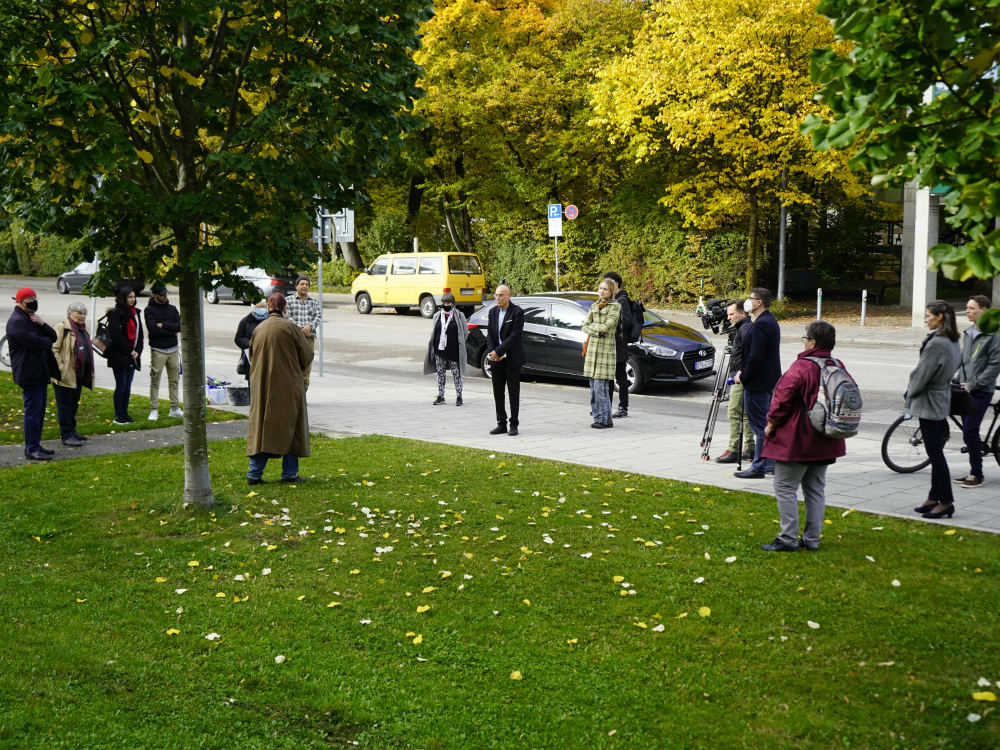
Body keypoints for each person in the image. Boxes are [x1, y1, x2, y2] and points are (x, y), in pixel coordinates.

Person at [759, 321, 848, 552]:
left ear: (813, 342)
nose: (804, 341)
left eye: (805, 337)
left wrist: (771, 423)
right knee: (816, 489)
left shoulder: (802, 367)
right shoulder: (836, 365)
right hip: (827, 437)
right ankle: (812, 539)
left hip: (798, 438)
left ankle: (788, 538)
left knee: (785, 487)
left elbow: (782, 399)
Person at [246, 292, 313, 485]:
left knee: (262, 428)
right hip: (287, 386)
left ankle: (254, 474)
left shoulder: (259, 329)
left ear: (268, 308)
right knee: (291, 426)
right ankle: (289, 474)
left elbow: (252, 356)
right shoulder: (290, 328)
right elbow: (307, 355)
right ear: (284, 308)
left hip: (262, 387)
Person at [908, 300, 962, 519]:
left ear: (940, 317)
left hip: (929, 402)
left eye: (928, 315)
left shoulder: (937, 342)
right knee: (936, 449)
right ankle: (933, 497)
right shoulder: (952, 339)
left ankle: (946, 501)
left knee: (935, 454)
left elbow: (921, 375)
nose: (925, 319)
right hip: (941, 399)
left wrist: (910, 394)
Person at [733, 287, 782, 479]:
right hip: (768, 380)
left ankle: (759, 466)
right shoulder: (769, 321)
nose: (747, 301)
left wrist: (743, 376)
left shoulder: (762, 324)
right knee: (765, 423)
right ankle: (770, 463)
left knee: (759, 425)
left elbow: (756, 356)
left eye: (751, 298)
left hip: (758, 382)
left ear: (759, 302)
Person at [953, 295, 1000, 488]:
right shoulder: (969, 331)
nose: (967, 311)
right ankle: (973, 470)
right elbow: (964, 360)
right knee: (968, 431)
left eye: (972, 308)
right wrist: (954, 378)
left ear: (984, 311)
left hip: (980, 390)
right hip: (964, 388)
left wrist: (974, 384)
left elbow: (994, 365)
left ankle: (977, 475)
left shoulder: (994, 334)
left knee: (970, 431)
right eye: (967, 307)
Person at [6, 288, 58, 460]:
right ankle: (31, 449)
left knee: (39, 412)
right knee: (33, 412)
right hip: (29, 373)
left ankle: (35, 445)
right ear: (20, 302)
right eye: (29, 299)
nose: (34, 302)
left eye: (35, 298)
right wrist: (46, 341)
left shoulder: (31, 318)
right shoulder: (17, 322)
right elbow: (38, 343)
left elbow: (53, 337)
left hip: (39, 372)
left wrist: (42, 323)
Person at [715, 299, 755, 463]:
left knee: (734, 412)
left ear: (742, 313)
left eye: (732, 314)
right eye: (728, 314)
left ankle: (734, 449)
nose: (729, 318)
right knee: (745, 414)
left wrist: (740, 373)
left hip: (741, 378)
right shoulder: (746, 327)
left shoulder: (745, 329)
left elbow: (750, 355)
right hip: (743, 376)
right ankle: (749, 448)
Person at [51, 302, 95, 447]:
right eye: (80, 313)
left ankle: (72, 430)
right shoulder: (61, 328)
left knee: (73, 404)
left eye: (84, 313)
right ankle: (66, 435)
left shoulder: (83, 330)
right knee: (65, 406)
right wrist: (61, 369)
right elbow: (53, 350)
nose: (83, 316)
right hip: (64, 376)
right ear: (70, 314)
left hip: (79, 375)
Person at [582, 279, 622, 428]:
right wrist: (597, 332)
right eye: (600, 288)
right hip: (593, 351)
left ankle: (604, 420)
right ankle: (599, 418)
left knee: (601, 389)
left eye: (605, 289)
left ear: (611, 291)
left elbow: (608, 326)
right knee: (593, 389)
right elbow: (584, 326)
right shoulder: (593, 306)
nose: (602, 291)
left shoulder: (615, 307)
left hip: (605, 352)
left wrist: (594, 328)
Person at [486, 285, 524, 436]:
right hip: (496, 359)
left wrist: (499, 351)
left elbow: (514, 336)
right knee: (498, 392)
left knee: (513, 392)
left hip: (512, 358)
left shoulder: (517, 312)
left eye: (501, 295)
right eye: (496, 295)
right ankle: (501, 423)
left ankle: (513, 424)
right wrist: (492, 352)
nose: (498, 298)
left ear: (509, 296)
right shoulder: (493, 312)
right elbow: (490, 334)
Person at [143, 283, 183, 420]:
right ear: (154, 295)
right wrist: (170, 330)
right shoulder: (149, 310)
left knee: (174, 380)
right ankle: (154, 409)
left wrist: (164, 325)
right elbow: (153, 330)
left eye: (165, 293)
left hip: (173, 348)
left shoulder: (172, 309)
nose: (164, 296)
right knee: (155, 380)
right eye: (161, 294)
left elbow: (180, 326)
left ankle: (175, 408)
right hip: (158, 349)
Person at [106, 286, 144, 425]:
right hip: (120, 355)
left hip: (133, 355)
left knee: (128, 385)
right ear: (123, 298)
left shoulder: (135, 313)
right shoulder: (115, 314)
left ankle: (125, 413)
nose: (132, 299)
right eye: (129, 297)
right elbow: (116, 335)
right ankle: (118, 415)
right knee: (121, 385)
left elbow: (140, 334)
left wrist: (138, 350)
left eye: (134, 296)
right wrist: (129, 351)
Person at [423, 292, 468, 405]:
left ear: (453, 304)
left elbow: (465, 333)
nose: (446, 304)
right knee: (440, 373)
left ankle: (459, 397)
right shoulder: (437, 315)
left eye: (448, 302)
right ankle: (441, 396)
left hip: (454, 350)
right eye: (444, 302)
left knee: (456, 373)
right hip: (440, 350)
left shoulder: (459, 315)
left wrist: (459, 343)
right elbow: (435, 331)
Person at [602, 271, 634, 419]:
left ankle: (623, 407)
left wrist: (611, 322)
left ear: (615, 285)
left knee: (620, 377)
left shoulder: (622, 301)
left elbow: (626, 322)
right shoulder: (612, 300)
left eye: (608, 284)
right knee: (608, 377)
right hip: (611, 344)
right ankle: (607, 406)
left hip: (619, 345)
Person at [285, 275, 322, 390]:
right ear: (296, 286)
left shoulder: (314, 302)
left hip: (309, 338)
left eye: (307, 284)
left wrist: (309, 327)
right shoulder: (288, 301)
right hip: (293, 338)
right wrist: (300, 328)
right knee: (293, 365)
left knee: (306, 367)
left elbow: (318, 316)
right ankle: (293, 395)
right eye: (302, 284)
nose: (304, 286)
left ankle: (303, 395)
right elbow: (287, 317)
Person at [235, 300, 269, 382]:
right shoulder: (246, 321)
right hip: (251, 359)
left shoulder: (270, 320)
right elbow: (238, 338)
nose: (261, 309)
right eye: (259, 307)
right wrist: (249, 343)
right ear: (254, 308)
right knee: (253, 385)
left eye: (263, 307)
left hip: (267, 357)